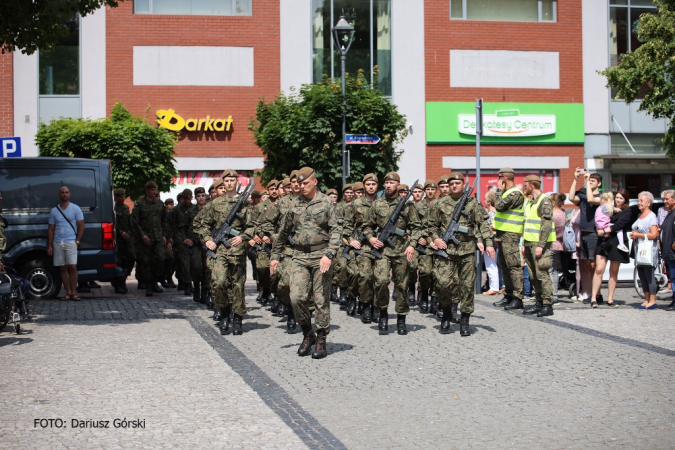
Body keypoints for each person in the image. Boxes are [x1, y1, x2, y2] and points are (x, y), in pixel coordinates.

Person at [270, 167, 342, 359]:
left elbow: (336, 231)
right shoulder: (294, 204)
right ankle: (307, 333)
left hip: (321, 255)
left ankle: (321, 339)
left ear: (315, 182)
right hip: (300, 256)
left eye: (305, 183)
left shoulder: (326, 202)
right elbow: (284, 231)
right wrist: (275, 255)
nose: (301, 186)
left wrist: (329, 254)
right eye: (299, 183)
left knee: (320, 299)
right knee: (296, 298)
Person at [427, 173, 494, 335]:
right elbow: (430, 226)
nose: (455, 186)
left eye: (458, 183)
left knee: (467, 286)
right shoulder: (439, 203)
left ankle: (465, 319)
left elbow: (483, 224)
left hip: (466, 252)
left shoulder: (471, 204)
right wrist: (435, 240)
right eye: (452, 184)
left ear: (463, 185)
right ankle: (446, 313)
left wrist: (489, 243)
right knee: (442, 284)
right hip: (446, 251)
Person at [196, 170, 255, 335]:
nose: (229, 183)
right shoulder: (215, 203)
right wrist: (207, 239)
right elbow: (203, 224)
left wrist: (243, 237)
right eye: (226, 181)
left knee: (237, 285)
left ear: (237, 181)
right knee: (219, 282)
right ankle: (223, 313)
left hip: (237, 250)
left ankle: (237, 319)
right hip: (220, 250)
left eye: (232, 180)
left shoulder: (244, 204)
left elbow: (252, 226)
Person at [363, 172, 420, 335]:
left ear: (398, 185)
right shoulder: (377, 204)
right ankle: (382, 314)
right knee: (380, 281)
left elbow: (416, 227)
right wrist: (372, 238)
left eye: (392, 183)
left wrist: (412, 245)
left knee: (402, 285)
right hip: (382, 250)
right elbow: (366, 226)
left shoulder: (407, 205)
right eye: (386, 182)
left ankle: (401, 318)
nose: (388, 185)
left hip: (402, 250)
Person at [344, 174, 379, 323]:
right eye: (368, 184)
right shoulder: (355, 204)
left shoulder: (383, 203)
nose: (371, 186)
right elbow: (346, 226)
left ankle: (376, 307)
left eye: (373, 184)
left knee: (378, 278)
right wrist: (351, 240)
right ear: (364, 186)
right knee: (364, 276)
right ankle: (365, 304)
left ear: (377, 186)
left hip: (381, 246)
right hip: (362, 246)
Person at [521, 175, 555, 316]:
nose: (524, 187)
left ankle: (547, 304)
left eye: (525, 185)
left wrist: (541, 245)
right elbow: (527, 224)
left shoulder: (544, 201)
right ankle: (539, 302)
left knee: (542, 273)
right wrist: (523, 244)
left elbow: (546, 225)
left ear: (532, 185)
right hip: (529, 242)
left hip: (540, 243)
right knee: (533, 275)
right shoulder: (530, 202)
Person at [493, 167, 525, 310]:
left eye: (500, 177)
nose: (499, 180)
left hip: (511, 234)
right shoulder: (508, 193)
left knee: (513, 266)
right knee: (504, 266)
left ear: (504, 177)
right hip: (502, 234)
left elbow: (499, 206)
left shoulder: (514, 193)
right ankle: (509, 295)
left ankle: (518, 298)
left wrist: (498, 191)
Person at [568, 169, 602, 303]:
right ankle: (591, 293)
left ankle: (596, 294)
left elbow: (590, 199)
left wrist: (587, 181)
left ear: (599, 184)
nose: (590, 182)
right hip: (584, 233)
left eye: (593, 181)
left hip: (594, 233)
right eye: (589, 180)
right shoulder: (583, 196)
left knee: (594, 265)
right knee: (588, 265)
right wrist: (575, 179)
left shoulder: (600, 196)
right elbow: (571, 198)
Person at [594, 189, 632, 307]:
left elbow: (620, 224)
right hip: (603, 241)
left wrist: (605, 230)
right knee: (599, 269)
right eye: (617, 197)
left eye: (621, 198)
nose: (618, 200)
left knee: (613, 271)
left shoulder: (627, 211)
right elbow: (598, 220)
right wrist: (598, 230)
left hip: (616, 242)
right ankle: (594, 298)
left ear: (625, 200)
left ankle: (610, 299)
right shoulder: (607, 207)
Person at [47, 186, 85, 301]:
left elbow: (81, 226)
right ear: (59, 194)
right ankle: (68, 292)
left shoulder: (75, 208)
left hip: (71, 241)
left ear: (70, 194)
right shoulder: (54, 211)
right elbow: (51, 229)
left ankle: (74, 292)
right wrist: (49, 245)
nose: (64, 194)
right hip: (58, 242)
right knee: (62, 268)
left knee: (72, 267)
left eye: (66, 192)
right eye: (62, 192)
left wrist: (77, 241)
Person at [131, 181, 169, 297]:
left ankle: (155, 281)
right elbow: (135, 221)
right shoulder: (140, 204)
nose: (154, 192)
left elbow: (165, 220)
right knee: (146, 262)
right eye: (152, 190)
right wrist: (142, 235)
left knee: (161, 259)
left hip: (157, 237)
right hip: (146, 238)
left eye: (155, 189)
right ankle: (149, 286)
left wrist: (164, 235)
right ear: (147, 191)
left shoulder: (159, 204)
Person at [631, 191, 660, 310]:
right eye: (638, 201)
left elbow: (654, 234)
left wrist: (638, 235)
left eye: (641, 201)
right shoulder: (639, 216)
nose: (639, 203)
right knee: (642, 276)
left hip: (648, 250)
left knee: (649, 275)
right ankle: (646, 299)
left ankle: (652, 300)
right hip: (639, 249)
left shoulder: (651, 216)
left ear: (648, 203)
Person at [113, 188, 135, 294]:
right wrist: (121, 233)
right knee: (119, 261)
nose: (122, 198)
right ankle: (119, 283)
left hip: (128, 238)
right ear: (116, 197)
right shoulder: (113, 209)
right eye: (120, 196)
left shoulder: (126, 208)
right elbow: (113, 224)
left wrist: (131, 234)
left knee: (131, 257)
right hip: (118, 238)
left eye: (123, 196)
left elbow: (129, 222)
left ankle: (124, 276)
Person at [658, 190, 675, 311]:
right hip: (669, 251)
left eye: (667, 199)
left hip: (673, 251)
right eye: (663, 199)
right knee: (673, 277)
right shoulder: (669, 213)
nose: (664, 201)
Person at [550, 193, 567, 304]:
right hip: (559, 243)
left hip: (550, 243)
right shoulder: (563, 213)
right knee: (555, 270)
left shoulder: (552, 215)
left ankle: (551, 294)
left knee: (549, 270)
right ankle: (555, 294)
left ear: (553, 202)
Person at [483, 190, 500, 295]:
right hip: (495, 240)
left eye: (485, 199)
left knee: (490, 264)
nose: (484, 201)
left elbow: (493, 227)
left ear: (489, 201)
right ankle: (494, 287)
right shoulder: (497, 213)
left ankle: (493, 288)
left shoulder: (491, 214)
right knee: (493, 264)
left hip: (491, 241)